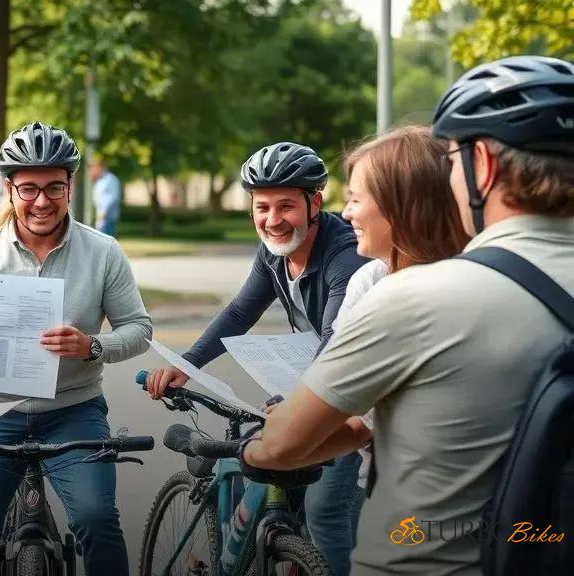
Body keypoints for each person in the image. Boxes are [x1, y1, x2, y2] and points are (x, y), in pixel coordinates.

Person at [239, 55, 574, 575]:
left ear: (483, 166)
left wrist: (253, 452)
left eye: (453, 163)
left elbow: (286, 442)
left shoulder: (416, 296)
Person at [145, 142, 368, 575]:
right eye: (262, 207)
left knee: (326, 510)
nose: (272, 219)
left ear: (315, 203)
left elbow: (334, 339)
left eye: (286, 206)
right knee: (262, 470)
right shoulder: (272, 252)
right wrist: (185, 366)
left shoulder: (345, 255)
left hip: (345, 390)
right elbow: (239, 313)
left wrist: (300, 400)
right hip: (311, 378)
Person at [0, 121, 153, 575]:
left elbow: (139, 329)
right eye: (29, 189)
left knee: (97, 520)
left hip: (73, 410)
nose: (42, 201)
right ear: (9, 189)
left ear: (70, 186)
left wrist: (92, 345)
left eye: (54, 187)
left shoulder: (103, 252)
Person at [335, 126, 470, 491]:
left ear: (401, 206)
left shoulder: (465, 291)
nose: (346, 213)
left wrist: (276, 444)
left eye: (356, 199)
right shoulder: (369, 279)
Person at [90, 159, 121, 236]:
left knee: (105, 239)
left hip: (107, 218)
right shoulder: (100, 181)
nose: (91, 171)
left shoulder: (109, 179)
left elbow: (111, 198)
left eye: (93, 168)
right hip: (101, 217)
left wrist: (103, 213)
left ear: (100, 167)